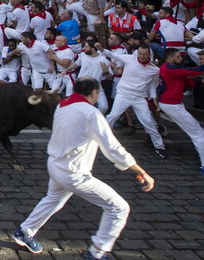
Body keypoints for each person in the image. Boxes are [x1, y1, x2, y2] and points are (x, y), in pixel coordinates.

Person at [11, 77, 155, 258]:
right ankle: (97, 252)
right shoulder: (91, 114)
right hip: (73, 173)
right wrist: (140, 171)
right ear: (94, 93)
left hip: (56, 164)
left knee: (53, 199)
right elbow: (112, 148)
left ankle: (25, 232)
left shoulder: (63, 106)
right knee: (119, 208)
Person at [159, 49, 204, 178]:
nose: (181, 58)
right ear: (170, 57)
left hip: (172, 104)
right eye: (178, 56)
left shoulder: (171, 69)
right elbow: (189, 72)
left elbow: (186, 80)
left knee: (196, 132)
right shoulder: (169, 68)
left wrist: (200, 81)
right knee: (199, 134)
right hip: (172, 105)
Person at [103, 45, 167, 159]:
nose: (141, 56)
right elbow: (113, 55)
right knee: (113, 115)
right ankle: (102, 139)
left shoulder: (154, 70)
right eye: (140, 54)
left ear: (149, 55)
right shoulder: (129, 59)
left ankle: (160, 146)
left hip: (139, 97)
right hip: (123, 93)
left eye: (144, 54)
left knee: (148, 121)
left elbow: (153, 85)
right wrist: (100, 48)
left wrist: (153, 98)